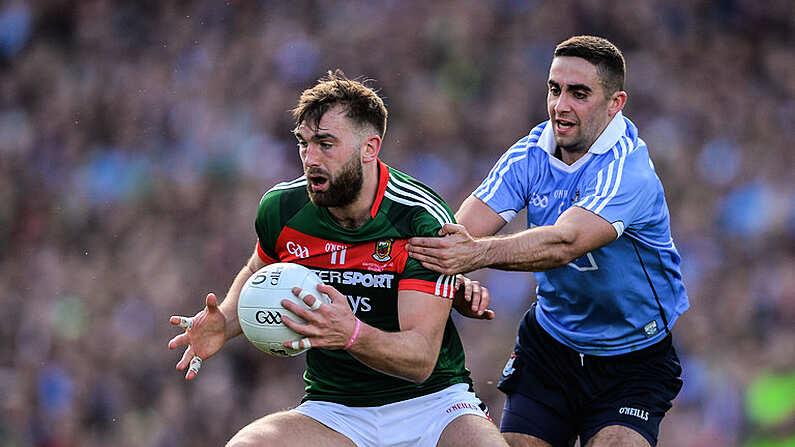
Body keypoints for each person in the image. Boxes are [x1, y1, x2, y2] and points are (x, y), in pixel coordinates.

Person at [168, 70, 507, 447]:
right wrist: (226, 322)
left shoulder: (419, 219)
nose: (310, 158)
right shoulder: (282, 208)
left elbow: (420, 359)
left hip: (434, 405)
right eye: (303, 143)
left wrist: (352, 334)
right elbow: (259, 272)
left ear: (369, 149)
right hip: (335, 410)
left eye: (326, 143)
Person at [406, 36, 689, 447]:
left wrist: (473, 255)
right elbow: (458, 234)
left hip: (633, 356)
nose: (561, 105)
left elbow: (565, 242)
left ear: (615, 103)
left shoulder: (628, 169)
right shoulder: (529, 154)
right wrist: (457, 270)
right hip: (551, 346)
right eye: (554, 90)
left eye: (579, 93)